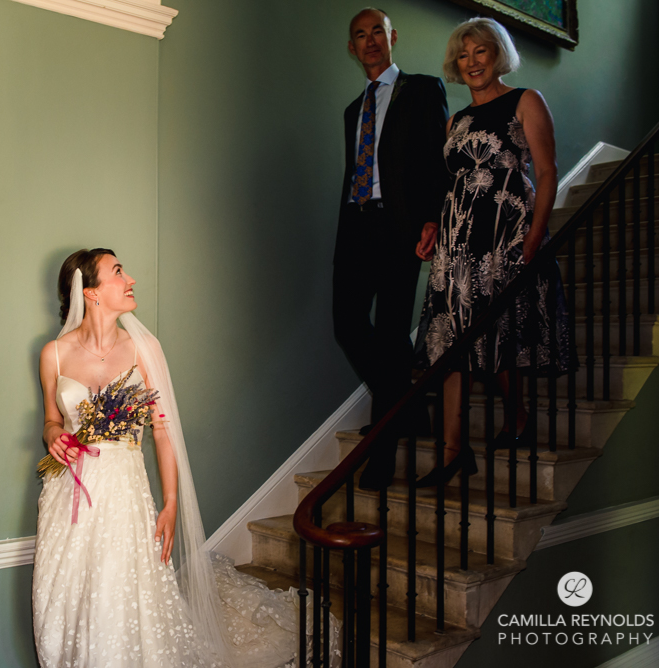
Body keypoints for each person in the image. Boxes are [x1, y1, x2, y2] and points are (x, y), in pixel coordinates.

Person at [33, 249, 339, 668]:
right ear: (91, 293)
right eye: (118, 272)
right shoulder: (53, 353)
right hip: (69, 495)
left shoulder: (145, 348)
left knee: (116, 595)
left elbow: (163, 430)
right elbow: (52, 420)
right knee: (67, 597)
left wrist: (171, 502)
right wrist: (54, 435)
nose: (131, 280)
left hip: (124, 494)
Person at [414, 18, 569, 487]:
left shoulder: (525, 101)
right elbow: (450, 184)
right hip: (457, 243)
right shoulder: (455, 121)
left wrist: (534, 237)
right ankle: (453, 452)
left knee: (495, 333)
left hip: (506, 235)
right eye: (463, 55)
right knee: (451, 340)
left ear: (497, 54)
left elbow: (547, 172)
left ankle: (517, 413)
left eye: (480, 51)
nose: (472, 62)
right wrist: (433, 224)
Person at [334, 8, 449, 490]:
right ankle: (408, 407)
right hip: (357, 225)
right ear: (352, 48)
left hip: (401, 227)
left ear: (392, 37)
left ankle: (381, 455)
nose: (370, 41)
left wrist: (433, 217)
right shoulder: (352, 110)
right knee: (346, 323)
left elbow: (438, 158)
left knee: (389, 334)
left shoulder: (421, 90)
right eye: (360, 35)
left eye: (377, 31)